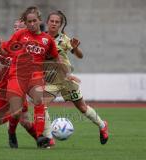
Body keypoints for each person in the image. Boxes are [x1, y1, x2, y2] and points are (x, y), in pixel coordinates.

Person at [0, 6, 76, 148]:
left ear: (39, 20)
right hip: (17, 76)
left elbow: (57, 59)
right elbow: (7, 51)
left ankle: (39, 136)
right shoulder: (20, 35)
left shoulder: (47, 40)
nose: (31, 24)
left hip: (35, 77)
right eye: (29, 21)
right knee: (16, 113)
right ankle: (11, 133)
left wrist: (67, 74)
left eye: (34, 21)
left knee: (39, 102)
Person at [44, 10, 108, 144]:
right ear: (47, 22)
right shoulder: (40, 38)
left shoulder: (64, 40)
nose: (54, 24)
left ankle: (102, 126)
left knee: (82, 108)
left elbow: (80, 56)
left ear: (60, 25)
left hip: (67, 79)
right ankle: (49, 138)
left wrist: (76, 48)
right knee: (41, 106)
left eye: (57, 22)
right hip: (51, 80)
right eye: (52, 21)